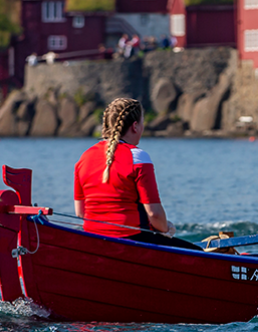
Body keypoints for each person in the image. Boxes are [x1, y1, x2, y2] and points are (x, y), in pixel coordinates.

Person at [74, 98, 199, 249]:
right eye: (142, 123)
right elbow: (154, 214)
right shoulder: (137, 157)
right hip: (133, 241)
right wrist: (167, 229)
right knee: (199, 252)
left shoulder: (84, 157)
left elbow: (80, 212)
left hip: (94, 239)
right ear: (135, 126)